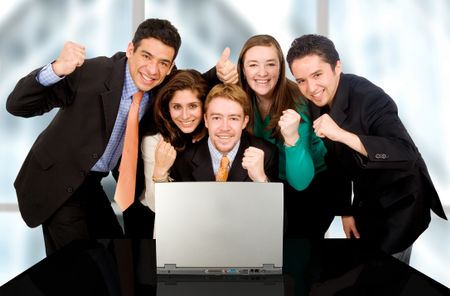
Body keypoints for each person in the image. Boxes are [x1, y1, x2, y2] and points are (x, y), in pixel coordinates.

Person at [6, 18, 237, 255]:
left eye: (163, 63)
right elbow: (17, 105)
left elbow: (189, 86)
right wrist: (56, 69)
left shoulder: (160, 81)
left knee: (117, 256)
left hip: (91, 183)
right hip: (57, 178)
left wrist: (219, 74)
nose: (152, 70)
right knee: (78, 268)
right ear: (130, 50)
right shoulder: (92, 73)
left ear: (170, 66)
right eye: (146, 56)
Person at [286, 34, 447, 262]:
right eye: (301, 80)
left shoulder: (370, 97)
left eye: (317, 75)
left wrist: (341, 135)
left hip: (401, 201)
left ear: (337, 66)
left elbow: (404, 153)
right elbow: (337, 162)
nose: (311, 88)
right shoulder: (317, 101)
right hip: (367, 200)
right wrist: (346, 210)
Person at [237, 34, 342, 238]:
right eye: (253, 65)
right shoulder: (240, 96)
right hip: (267, 182)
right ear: (242, 68)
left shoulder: (298, 101)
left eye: (270, 64)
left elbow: (300, 182)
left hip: (309, 192)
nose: (262, 73)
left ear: (281, 68)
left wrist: (292, 138)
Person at [124, 69, 209, 237]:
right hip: (153, 218)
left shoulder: (214, 132)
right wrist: (160, 171)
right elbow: (156, 206)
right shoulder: (154, 140)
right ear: (167, 108)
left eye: (192, 106)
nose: (185, 116)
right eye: (177, 107)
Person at [171, 83, 278, 183]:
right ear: (206, 120)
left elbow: (273, 203)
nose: (225, 128)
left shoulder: (267, 154)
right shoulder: (184, 159)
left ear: (244, 122)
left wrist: (261, 180)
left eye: (233, 118)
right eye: (217, 118)